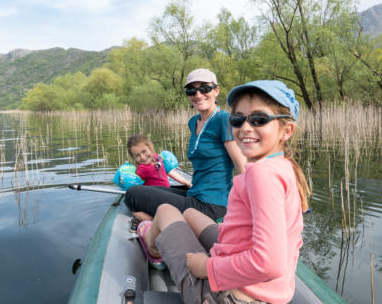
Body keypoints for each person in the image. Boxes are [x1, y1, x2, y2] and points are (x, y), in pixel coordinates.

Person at [137, 80, 311, 304]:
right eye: (238, 119)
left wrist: (206, 267)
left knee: (165, 210)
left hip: (227, 298)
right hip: (265, 292)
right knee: (190, 214)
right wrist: (231, 232)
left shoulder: (262, 175)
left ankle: (152, 246)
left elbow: (270, 263)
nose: (246, 127)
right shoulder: (282, 166)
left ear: (286, 130)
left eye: (259, 119)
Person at [125, 68, 246, 222]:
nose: (198, 95)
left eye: (204, 88)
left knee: (132, 194)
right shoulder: (193, 122)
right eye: (191, 91)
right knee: (143, 190)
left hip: (211, 206)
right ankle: (169, 221)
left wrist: (247, 207)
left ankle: (156, 223)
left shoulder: (223, 119)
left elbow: (241, 166)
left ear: (216, 91)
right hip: (194, 194)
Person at [127, 133, 192, 187]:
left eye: (144, 151)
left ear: (150, 147)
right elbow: (135, 183)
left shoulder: (158, 158)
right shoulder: (141, 169)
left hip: (166, 191)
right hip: (154, 195)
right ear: (134, 157)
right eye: (137, 155)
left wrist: (186, 182)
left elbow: (170, 172)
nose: (143, 157)